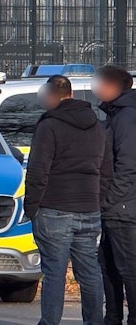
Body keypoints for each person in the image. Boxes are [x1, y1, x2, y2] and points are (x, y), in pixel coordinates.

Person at [25, 74, 109, 325]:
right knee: (90, 271)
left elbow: (38, 170)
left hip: (54, 207)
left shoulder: (48, 125)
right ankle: (95, 321)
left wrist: (32, 206)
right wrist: (96, 199)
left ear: (50, 95)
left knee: (54, 272)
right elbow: (106, 171)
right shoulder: (97, 125)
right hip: (89, 207)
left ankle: (50, 321)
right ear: (71, 94)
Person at [94, 65, 136, 325]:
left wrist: (112, 201)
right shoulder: (116, 114)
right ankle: (112, 317)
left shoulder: (127, 117)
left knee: (127, 268)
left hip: (123, 207)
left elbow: (127, 165)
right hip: (115, 205)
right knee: (108, 266)